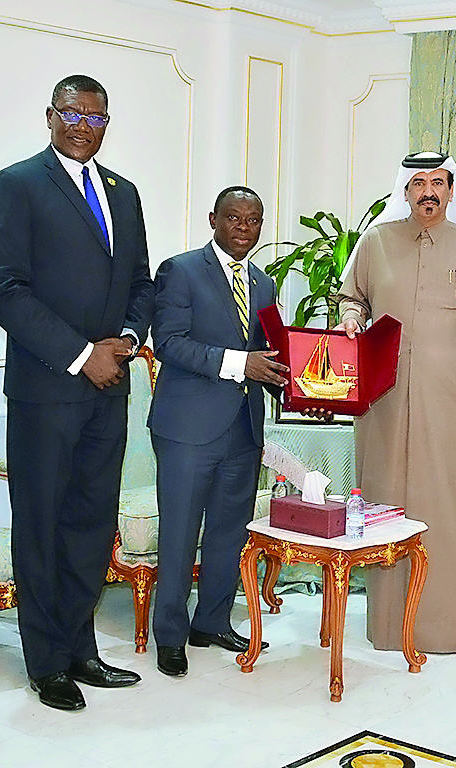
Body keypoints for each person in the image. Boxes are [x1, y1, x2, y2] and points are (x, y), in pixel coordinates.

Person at [0, 74, 154, 711]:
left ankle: (82, 648)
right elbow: (0, 286)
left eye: (97, 117)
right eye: (72, 114)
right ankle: (46, 661)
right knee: (43, 527)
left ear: (108, 122)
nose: (84, 125)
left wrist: (128, 339)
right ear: (49, 115)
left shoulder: (124, 193)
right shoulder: (16, 185)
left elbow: (141, 280)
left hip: (112, 387)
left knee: (90, 522)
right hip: (48, 389)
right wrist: (83, 356)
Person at [338, 152, 456, 654]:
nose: (427, 192)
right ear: (404, 191)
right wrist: (352, 318)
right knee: (387, 508)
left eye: (436, 182)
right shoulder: (376, 242)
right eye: (417, 183)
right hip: (386, 405)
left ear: (451, 189)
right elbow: (352, 297)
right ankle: (391, 626)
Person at [148, 187, 283, 677]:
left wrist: (312, 387)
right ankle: (170, 635)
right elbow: (168, 343)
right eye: (233, 218)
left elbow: (271, 354)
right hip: (187, 427)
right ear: (213, 219)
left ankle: (212, 622)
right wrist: (237, 364)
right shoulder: (180, 270)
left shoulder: (264, 284)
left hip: (243, 428)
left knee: (229, 533)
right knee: (181, 533)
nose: (243, 228)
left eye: (253, 220)